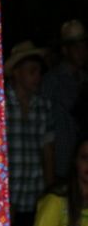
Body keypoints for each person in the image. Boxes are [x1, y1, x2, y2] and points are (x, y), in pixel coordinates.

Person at [4, 40, 55, 226]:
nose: (38, 77)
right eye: (32, 71)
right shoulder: (0, 104)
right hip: (6, 196)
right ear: (16, 73)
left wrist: (49, 196)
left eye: (39, 72)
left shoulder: (43, 106)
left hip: (35, 195)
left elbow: (48, 152)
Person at [42, 19, 88, 181]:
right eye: (76, 47)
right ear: (65, 50)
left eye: (84, 46)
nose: (82, 52)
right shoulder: (51, 81)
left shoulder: (85, 79)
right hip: (61, 164)